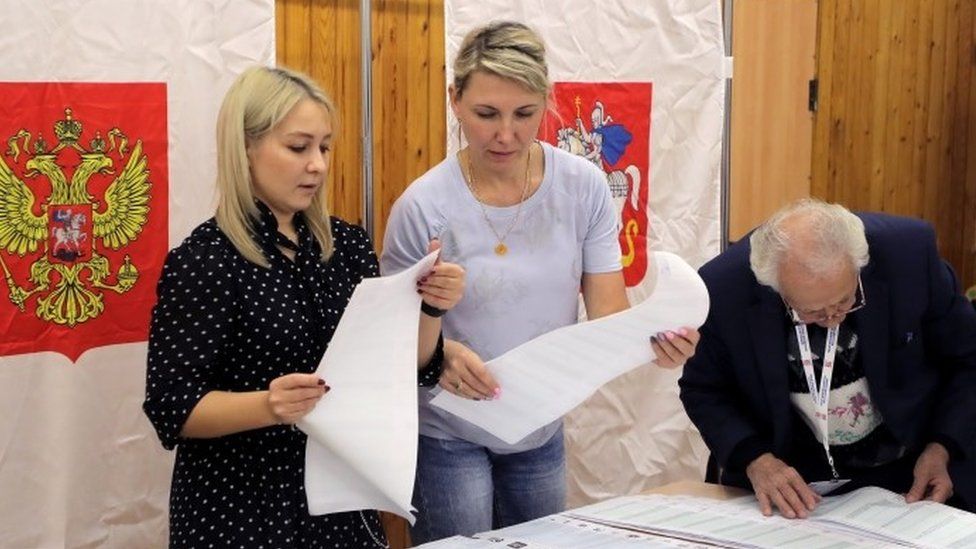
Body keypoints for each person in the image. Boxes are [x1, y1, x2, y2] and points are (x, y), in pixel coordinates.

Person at [380, 21, 700, 543]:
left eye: (524, 114)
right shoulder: (423, 205)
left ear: (547, 102)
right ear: (454, 100)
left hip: (539, 427)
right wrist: (443, 354)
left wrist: (657, 341)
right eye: (486, 114)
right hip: (447, 431)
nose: (505, 134)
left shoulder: (584, 188)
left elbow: (608, 318)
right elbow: (388, 335)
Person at [142, 66, 464, 548]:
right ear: (245, 148)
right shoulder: (205, 260)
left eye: (325, 147)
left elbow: (406, 370)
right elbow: (173, 407)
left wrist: (430, 309)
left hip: (340, 506)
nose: (317, 164)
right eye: (298, 147)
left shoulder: (347, 245)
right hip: (239, 509)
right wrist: (269, 406)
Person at [679, 198, 976, 519]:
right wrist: (756, 460)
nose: (833, 318)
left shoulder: (908, 253)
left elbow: (967, 358)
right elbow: (703, 389)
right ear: (774, 287)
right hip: (792, 483)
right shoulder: (723, 288)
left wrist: (942, 445)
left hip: (908, 469)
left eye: (846, 300)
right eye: (813, 312)